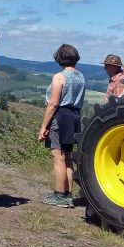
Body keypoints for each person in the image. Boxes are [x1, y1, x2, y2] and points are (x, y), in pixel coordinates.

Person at [38, 44, 86, 208]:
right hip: (75, 117)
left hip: (61, 116)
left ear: (60, 58)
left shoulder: (59, 77)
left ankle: (59, 194)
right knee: (67, 157)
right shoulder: (81, 76)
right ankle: (68, 194)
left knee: (57, 156)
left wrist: (44, 126)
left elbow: (53, 104)